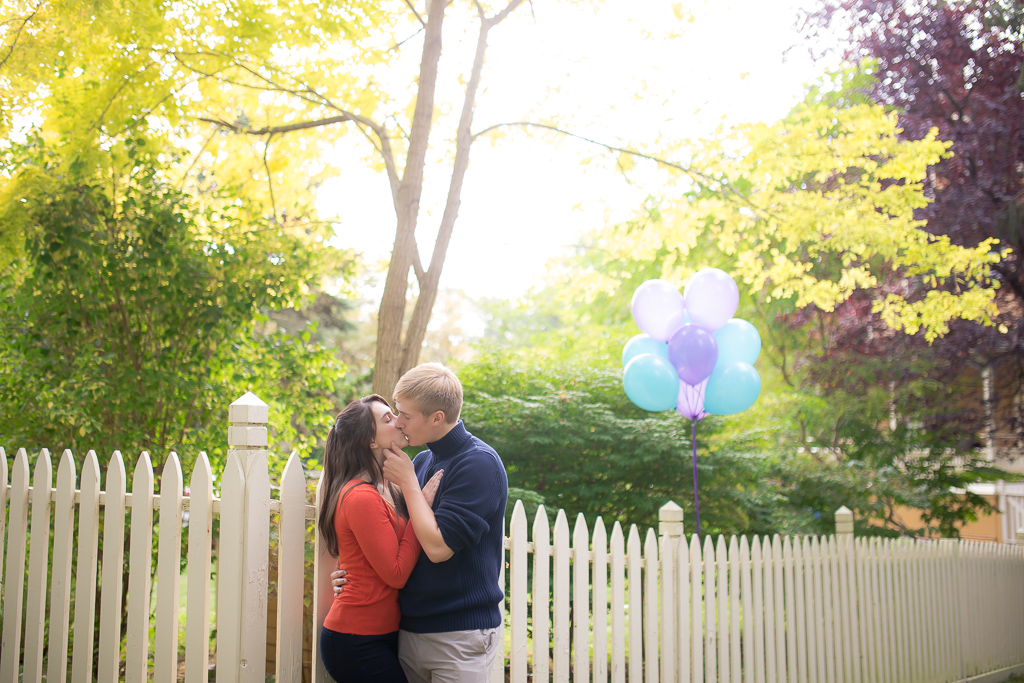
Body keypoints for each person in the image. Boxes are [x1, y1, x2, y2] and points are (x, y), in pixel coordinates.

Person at [332, 363, 508, 683]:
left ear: (437, 418)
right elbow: (395, 542)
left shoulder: (479, 463)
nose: (398, 422)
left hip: (460, 635)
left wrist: (411, 485)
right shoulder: (423, 461)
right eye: (396, 413)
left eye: (406, 416)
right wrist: (355, 577)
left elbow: (438, 548)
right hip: (409, 631)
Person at [318, 394, 444, 683]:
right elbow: (396, 574)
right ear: (369, 442)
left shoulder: (389, 488)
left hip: (383, 633)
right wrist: (418, 508)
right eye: (388, 419)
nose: (398, 422)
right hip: (356, 638)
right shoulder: (362, 496)